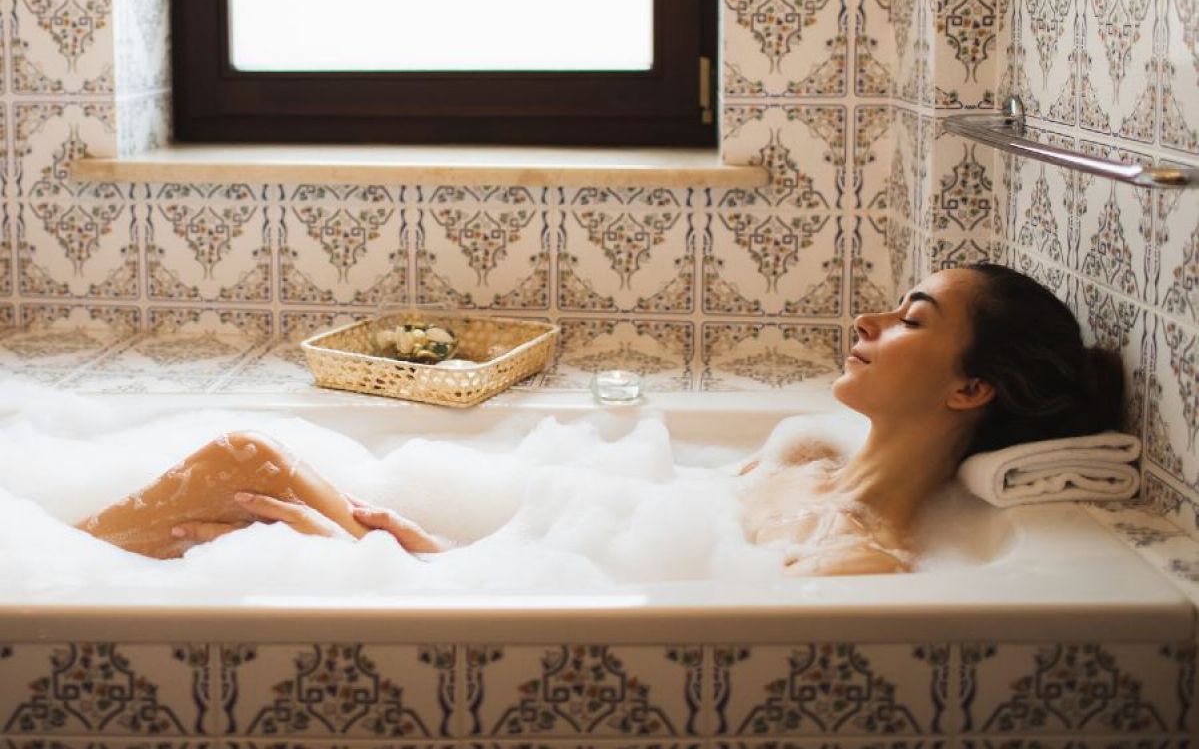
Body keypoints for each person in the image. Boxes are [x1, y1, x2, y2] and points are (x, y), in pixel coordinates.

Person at [75, 263, 1125, 575]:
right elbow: (601, 561)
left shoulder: (857, 552)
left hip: (461, 604)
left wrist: (385, 569)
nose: (864, 321)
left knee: (242, 460)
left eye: (909, 319)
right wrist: (426, 549)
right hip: (470, 571)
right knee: (240, 461)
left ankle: (49, 571)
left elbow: (621, 621)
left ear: (968, 388)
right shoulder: (805, 451)